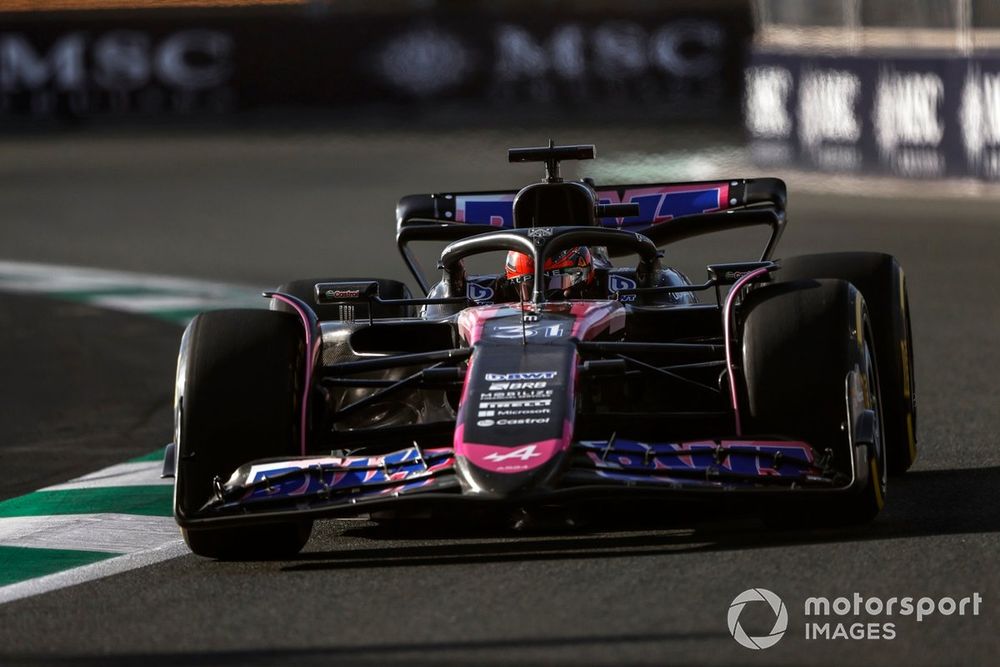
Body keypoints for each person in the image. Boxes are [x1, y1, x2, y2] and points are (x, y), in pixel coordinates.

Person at [504, 246, 598, 301]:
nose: (539, 301)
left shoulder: (605, 286)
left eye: (556, 283)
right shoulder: (498, 288)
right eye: (529, 288)